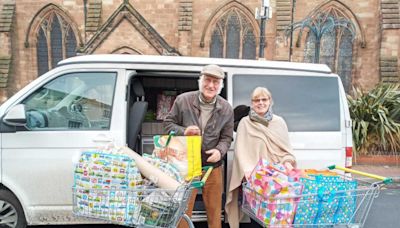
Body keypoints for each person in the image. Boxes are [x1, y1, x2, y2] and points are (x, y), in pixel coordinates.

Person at [164, 64, 234, 228]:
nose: (211, 85)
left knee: (215, 211)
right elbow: (168, 124)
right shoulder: (183, 100)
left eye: (215, 82)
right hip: (186, 165)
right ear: (200, 81)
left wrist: (220, 150)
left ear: (220, 85)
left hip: (213, 166)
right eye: (207, 80)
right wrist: (184, 131)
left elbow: (227, 137)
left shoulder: (226, 108)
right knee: (183, 211)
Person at [225, 87, 296, 228]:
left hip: (277, 180)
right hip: (256, 180)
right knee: (258, 219)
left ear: (270, 101)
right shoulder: (245, 123)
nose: (260, 103)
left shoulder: (279, 122)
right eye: (256, 100)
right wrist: (248, 172)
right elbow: (241, 151)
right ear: (252, 103)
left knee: (278, 218)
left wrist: (288, 162)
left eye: (264, 99)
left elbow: (286, 150)